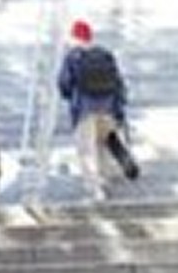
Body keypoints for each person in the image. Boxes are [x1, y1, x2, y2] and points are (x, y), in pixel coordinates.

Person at [55, 20, 139, 198]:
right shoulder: (105, 54)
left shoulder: (73, 56)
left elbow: (64, 84)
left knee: (87, 149)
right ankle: (105, 178)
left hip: (85, 110)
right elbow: (118, 83)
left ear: (74, 37)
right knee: (102, 145)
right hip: (108, 109)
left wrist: (71, 96)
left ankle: (95, 188)